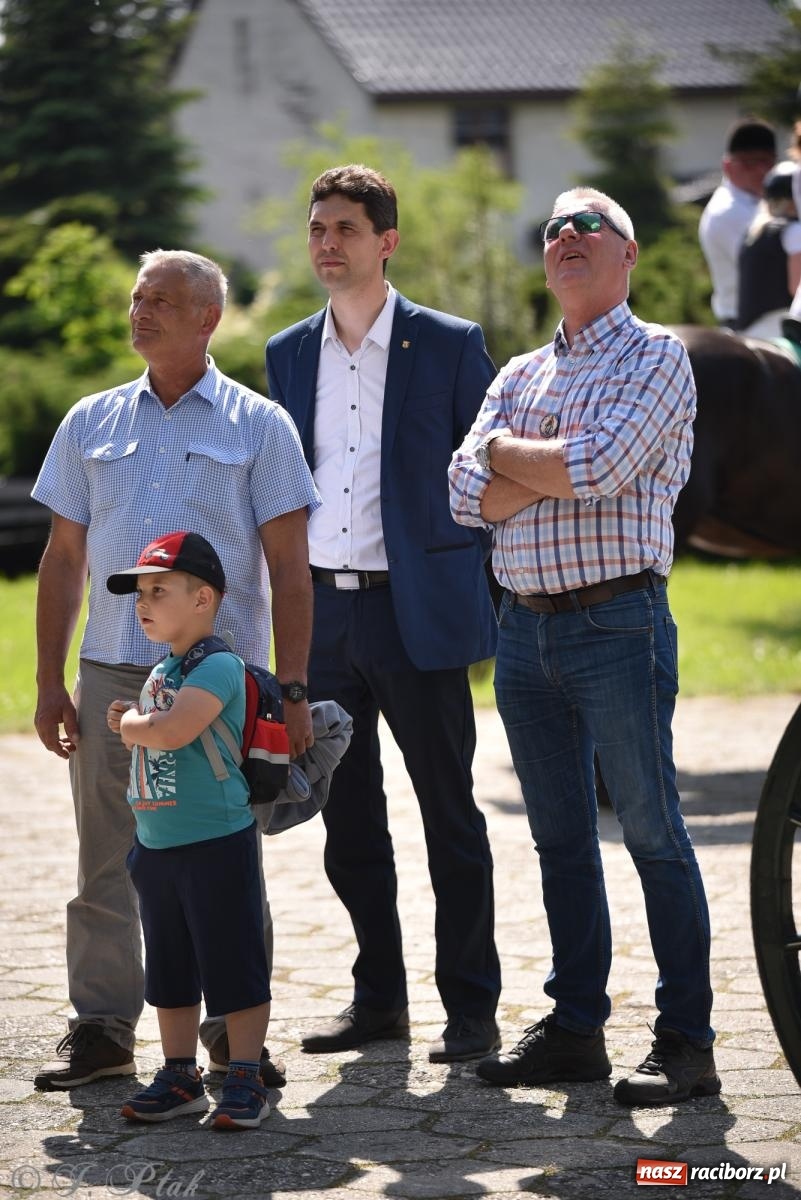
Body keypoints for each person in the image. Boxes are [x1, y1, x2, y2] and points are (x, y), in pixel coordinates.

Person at [449, 187, 719, 1106]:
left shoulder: (659, 357)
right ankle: (575, 1032)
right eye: (554, 228)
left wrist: (504, 460)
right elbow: (457, 494)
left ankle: (686, 1042)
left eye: (588, 225)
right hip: (520, 630)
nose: (567, 236)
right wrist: (545, 465)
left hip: (617, 624)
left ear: (629, 254)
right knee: (561, 842)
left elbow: (600, 469)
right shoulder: (519, 370)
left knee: (651, 835)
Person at [32, 249, 320, 1091]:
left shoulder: (257, 425)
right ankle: (103, 1030)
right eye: (136, 297)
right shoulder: (89, 420)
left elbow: (290, 570)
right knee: (104, 864)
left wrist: (291, 687)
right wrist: (52, 681)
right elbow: (62, 558)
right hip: (112, 676)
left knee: (223, 860)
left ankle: (239, 1040)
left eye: (160, 299)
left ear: (207, 319)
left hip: (217, 686)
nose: (140, 310)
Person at [266, 164, 502, 1062]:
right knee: (348, 819)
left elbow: (481, 477)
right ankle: (379, 1001)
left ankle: (471, 1010)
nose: (328, 244)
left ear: (385, 242)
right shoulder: (288, 353)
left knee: (450, 814)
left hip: (420, 613)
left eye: (346, 230)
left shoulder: (448, 343)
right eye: (318, 228)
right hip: (323, 617)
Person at [106, 531, 271, 1129]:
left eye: (158, 590)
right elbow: (159, 728)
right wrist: (138, 720)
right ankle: (180, 1074)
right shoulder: (163, 668)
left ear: (203, 598)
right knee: (170, 969)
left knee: (233, 962)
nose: (143, 603)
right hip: (157, 844)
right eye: (139, 594)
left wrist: (129, 723)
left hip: (214, 844)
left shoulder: (220, 664)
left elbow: (173, 732)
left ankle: (246, 1075)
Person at [699, 117, 776, 326]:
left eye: (767, 161)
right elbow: (773, 270)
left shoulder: (761, 202)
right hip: (751, 324)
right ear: (728, 165)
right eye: (750, 163)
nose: (761, 170)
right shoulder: (727, 210)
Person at [737, 161, 801, 339]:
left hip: (748, 330)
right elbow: (796, 288)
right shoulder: (794, 231)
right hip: (778, 328)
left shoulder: (754, 230)